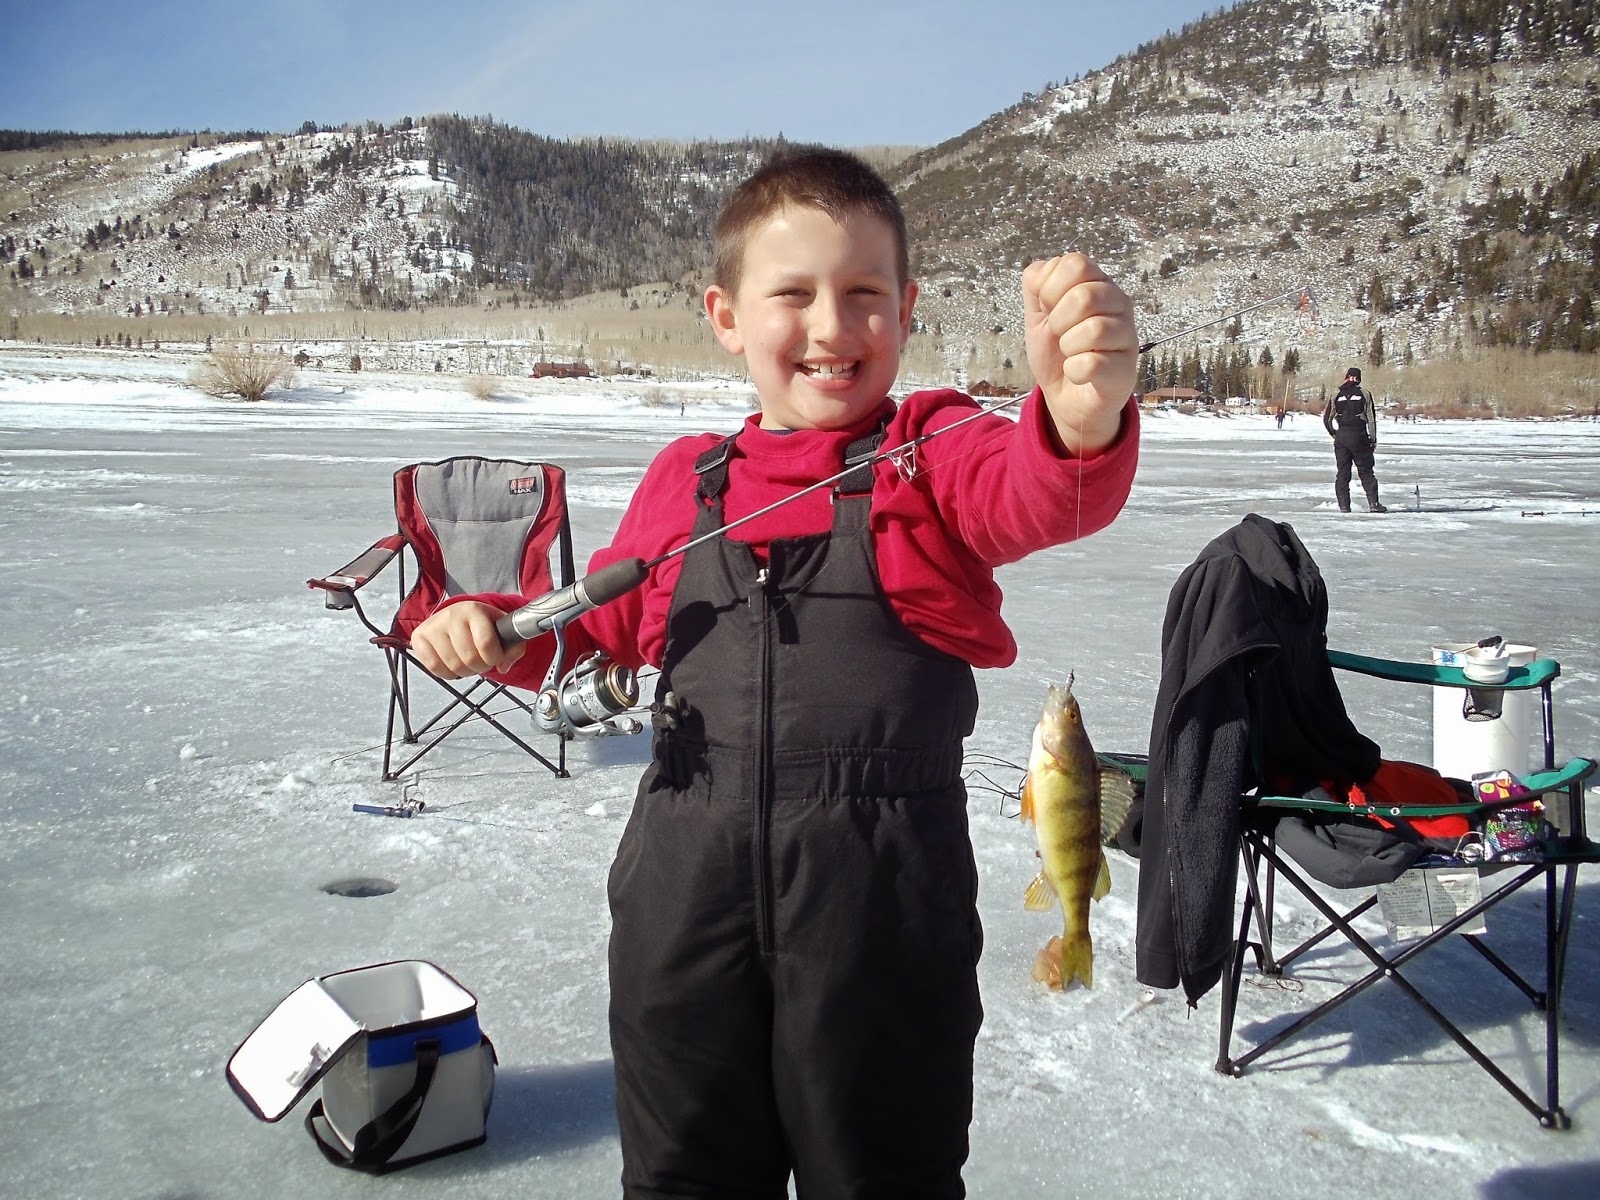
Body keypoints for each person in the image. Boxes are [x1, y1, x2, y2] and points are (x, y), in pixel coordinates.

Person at [408, 147, 1141, 1198]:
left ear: (907, 308)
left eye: (865, 294)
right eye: (792, 295)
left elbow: (1032, 488)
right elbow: (600, 639)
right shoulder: (685, 481)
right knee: (684, 1176)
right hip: (680, 899)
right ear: (726, 315)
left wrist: (1078, 418)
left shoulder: (930, 453)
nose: (832, 327)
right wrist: (488, 628)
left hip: (882, 912)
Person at [1322, 365, 1386, 512]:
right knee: (1366, 471)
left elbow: (1326, 419)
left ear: (1346, 378)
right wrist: (1373, 439)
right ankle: (1374, 504)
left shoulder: (1336, 395)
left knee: (1343, 473)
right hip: (1359, 436)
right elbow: (1371, 419)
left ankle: (1344, 506)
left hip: (1341, 437)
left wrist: (1334, 433)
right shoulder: (1364, 394)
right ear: (1358, 379)